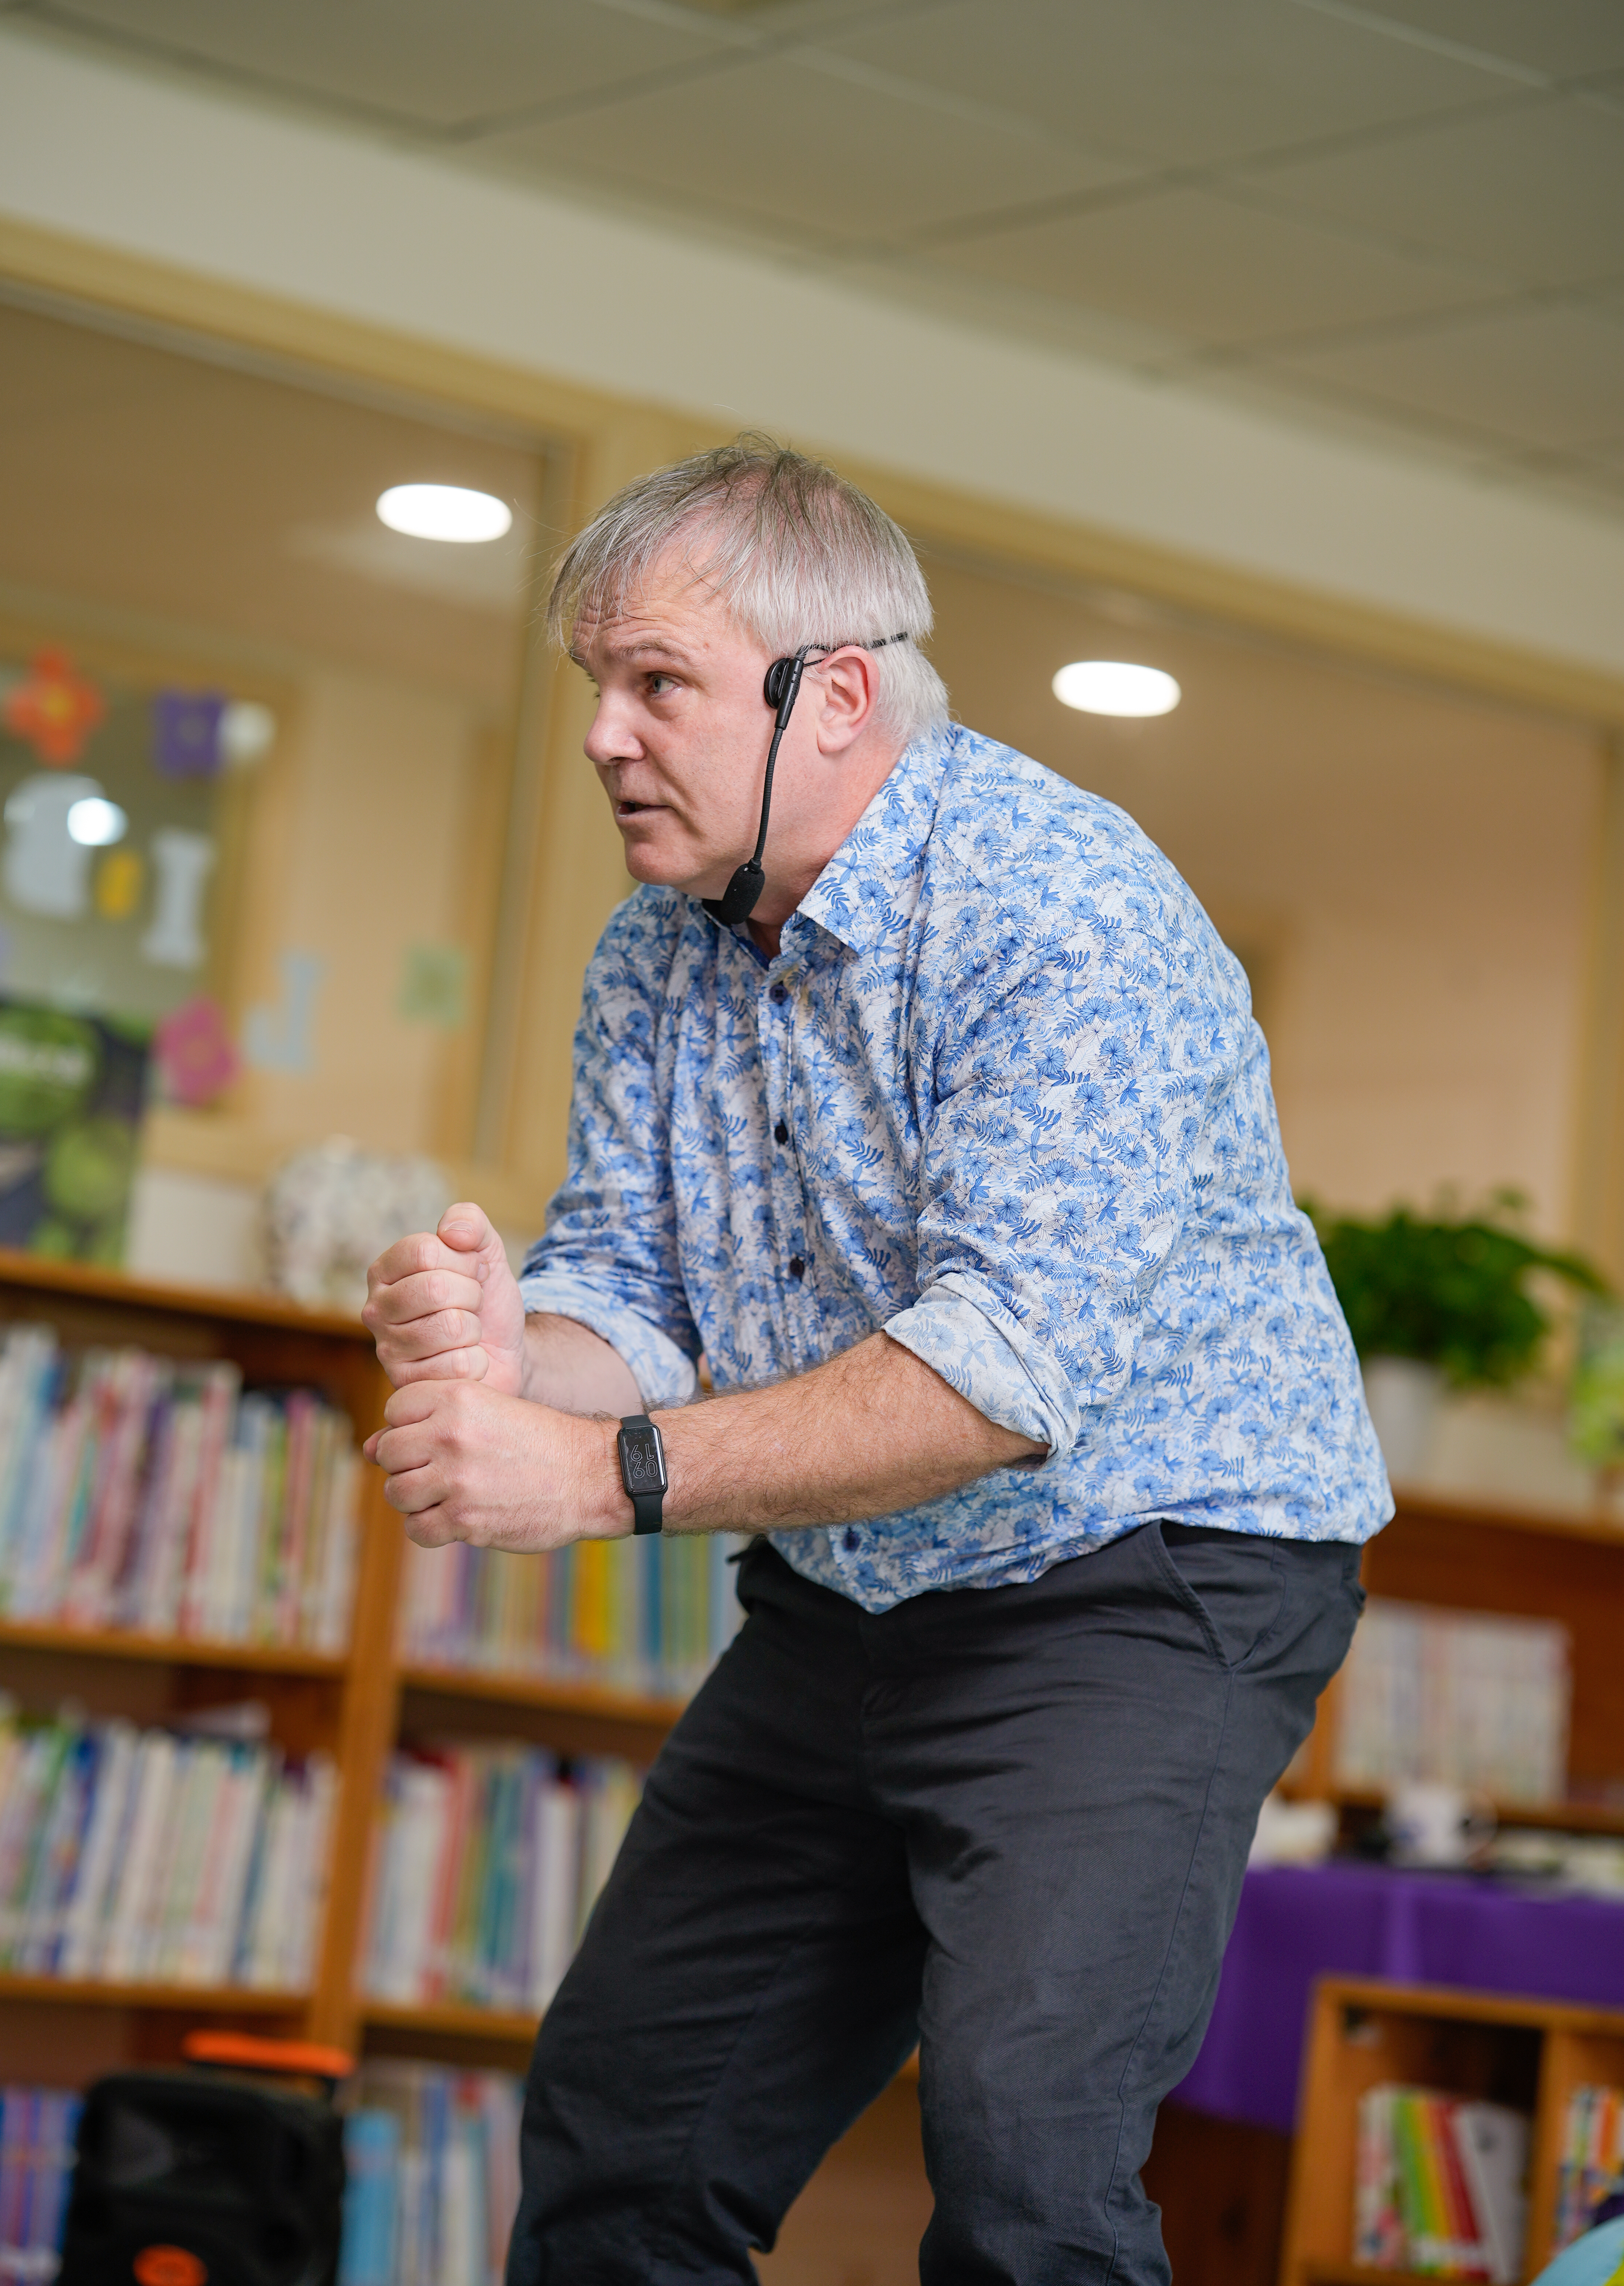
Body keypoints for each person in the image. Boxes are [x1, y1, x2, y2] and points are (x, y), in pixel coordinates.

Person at [361, 438, 1390, 2285]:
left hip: (1141, 1574)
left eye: (656, 683)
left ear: (831, 694)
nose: (602, 735)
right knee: (626, 2133)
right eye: (593, 686)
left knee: (1022, 2159)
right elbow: (631, 1287)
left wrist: (598, 1472)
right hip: (858, 1587)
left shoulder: (1060, 903)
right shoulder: (654, 952)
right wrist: (524, 1355)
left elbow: (1003, 1370)